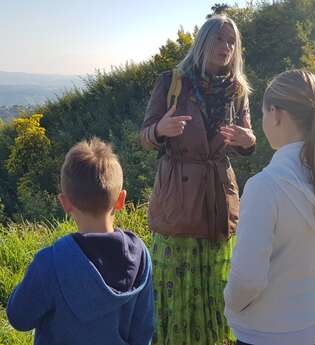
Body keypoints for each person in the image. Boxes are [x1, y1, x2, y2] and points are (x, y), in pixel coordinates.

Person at [139, 15, 256, 345]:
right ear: (204, 42)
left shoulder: (237, 90)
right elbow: (144, 137)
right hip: (178, 197)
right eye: (219, 39)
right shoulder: (172, 82)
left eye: (232, 42)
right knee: (175, 283)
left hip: (218, 196)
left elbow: (248, 138)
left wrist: (248, 140)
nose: (226, 47)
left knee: (217, 282)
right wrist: (159, 130)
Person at [224, 69, 315, 345]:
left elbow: (247, 278)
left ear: (277, 114)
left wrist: (230, 305)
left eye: (264, 113)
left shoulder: (263, 186)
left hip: (266, 332)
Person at [7, 138, 154, 345]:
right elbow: (144, 331)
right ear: (121, 200)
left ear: (65, 203)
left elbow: (19, 318)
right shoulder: (141, 256)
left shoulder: (50, 263)